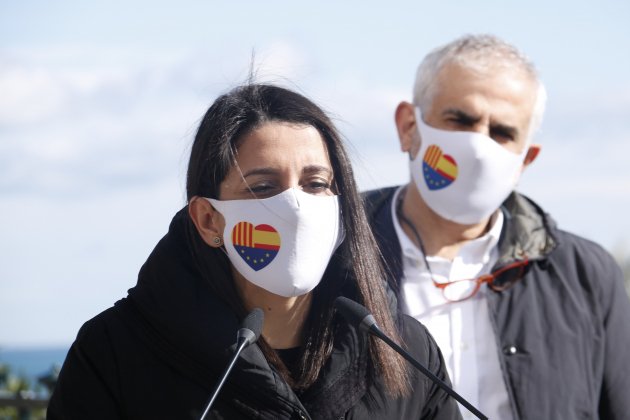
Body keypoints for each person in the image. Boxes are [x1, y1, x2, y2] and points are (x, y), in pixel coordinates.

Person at [48, 83, 462, 419]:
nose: (296, 207)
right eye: (263, 187)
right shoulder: (115, 353)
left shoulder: (405, 350)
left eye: (315, 183)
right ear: (209, 219)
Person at [364, 34, 630, 419]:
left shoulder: (585, 276)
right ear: (408, 126)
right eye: (460, 120)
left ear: (525, 160)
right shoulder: (335, 251)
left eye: (502, 132)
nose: (478, 147)